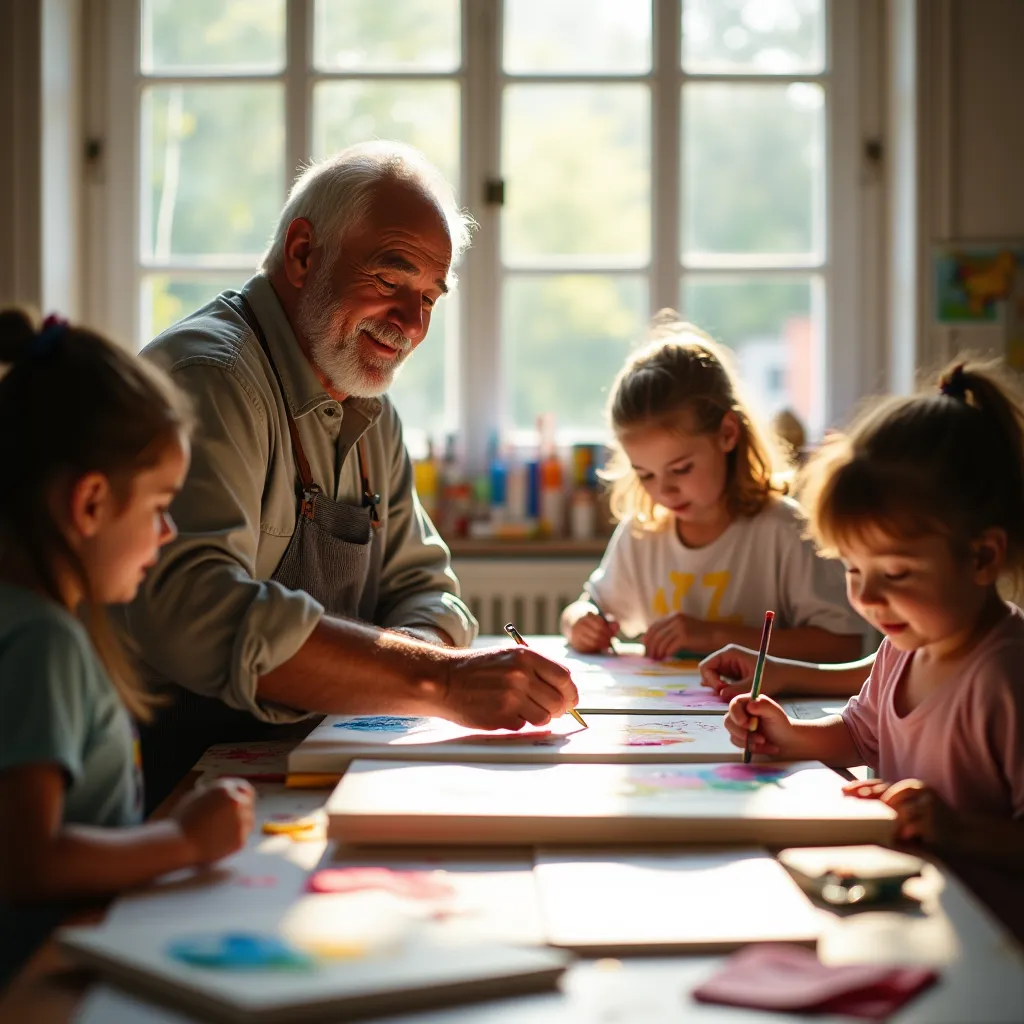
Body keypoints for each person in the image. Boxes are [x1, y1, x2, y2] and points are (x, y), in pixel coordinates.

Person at [125, 141, 578, 810]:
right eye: (391, 280)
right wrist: (438, 683)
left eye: (429, 296)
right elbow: (197, 612)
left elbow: (430, 592)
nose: (412, 323)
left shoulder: (369, 410)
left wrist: (391, 683)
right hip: (182, 786)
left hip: (314, 765)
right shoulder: (211, 380)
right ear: (303, 254)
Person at [723, 358, 1024, 938]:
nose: (867, 595)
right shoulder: (903, 647)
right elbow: (861, 733)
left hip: (994, 946)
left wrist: (956, 828)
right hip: (911, 924)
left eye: (896, 572)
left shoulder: (1006, 677)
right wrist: (787, 732)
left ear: (983, 557)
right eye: (853, 568)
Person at [0, 310, 254, 986]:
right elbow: (26, 859)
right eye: (160, 504)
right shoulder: (41, 641)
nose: (168, 532)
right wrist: (185, 841)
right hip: (42, 978)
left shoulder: (39, 623)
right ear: (90, 505)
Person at [560, 313, 863, 664]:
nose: (665, 491)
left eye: (681, 469)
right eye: (645, 475)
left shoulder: (784, 530)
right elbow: (587, 607)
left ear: (728, 435)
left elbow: (842, 646)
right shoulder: (642, 534)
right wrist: (579, 622)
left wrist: (712, 635)